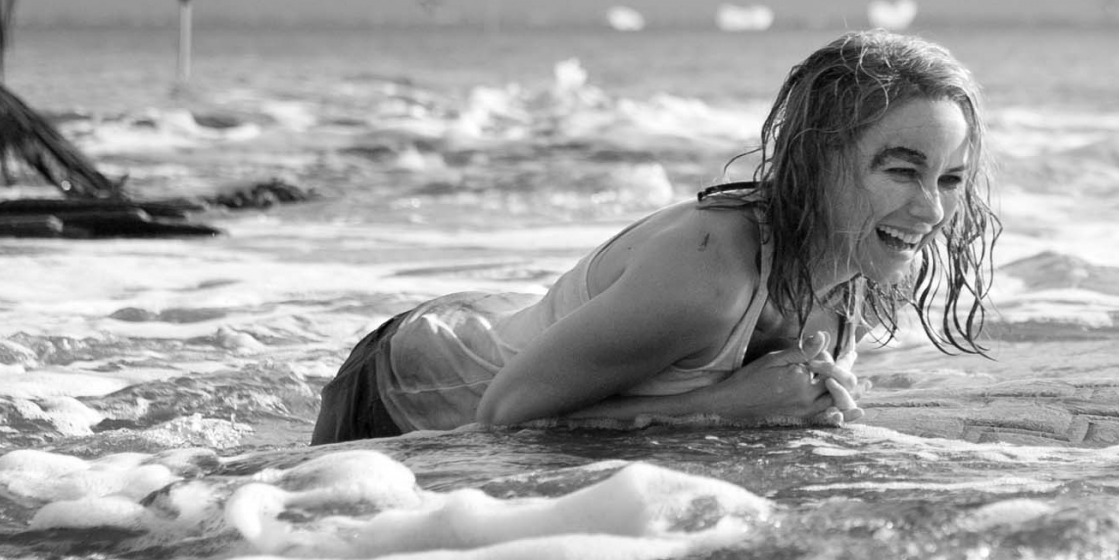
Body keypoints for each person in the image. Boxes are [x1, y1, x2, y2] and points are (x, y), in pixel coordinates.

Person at [310, 31, 997, 441]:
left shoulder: (868, 274)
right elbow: (504, 418)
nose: (931, 211)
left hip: (521, 333)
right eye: (901, 171)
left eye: (948, 180)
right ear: (818, 161)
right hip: (409, 383)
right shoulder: (711, 275)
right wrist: (727, 407)